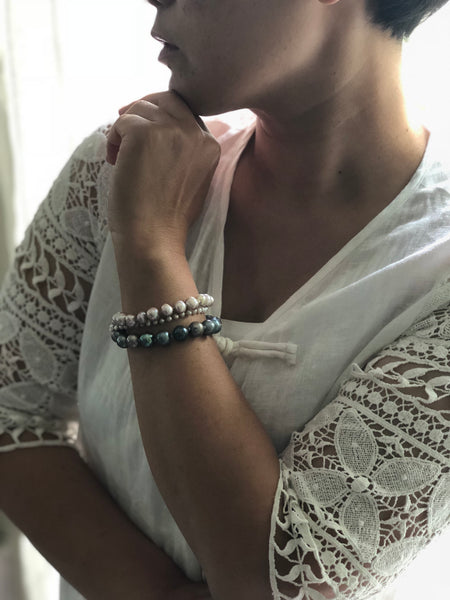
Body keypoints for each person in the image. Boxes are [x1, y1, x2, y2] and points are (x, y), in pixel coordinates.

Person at [0, 0, 449, 598]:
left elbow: (276, 582)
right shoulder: (119, 169)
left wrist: (153, 247)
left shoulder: (436, 281)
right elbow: (13, 416)